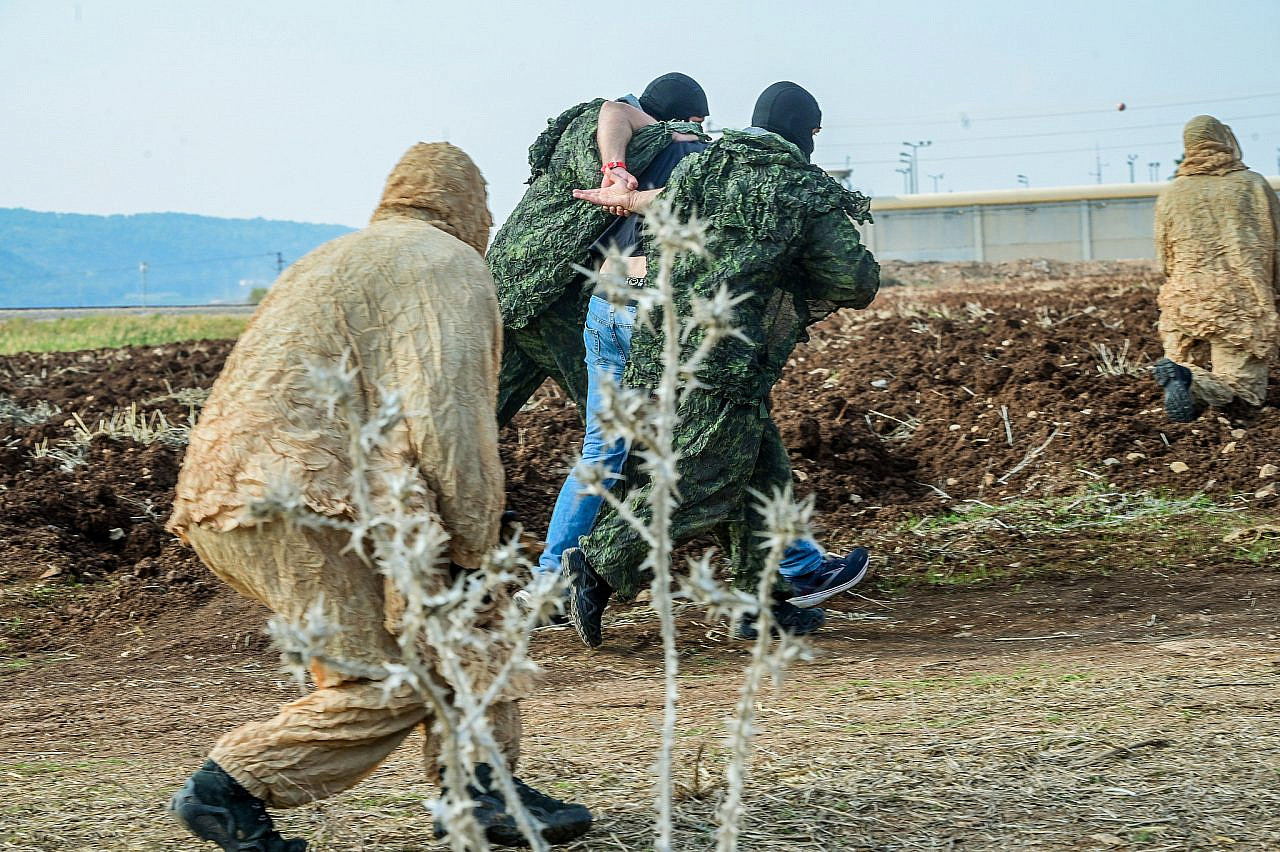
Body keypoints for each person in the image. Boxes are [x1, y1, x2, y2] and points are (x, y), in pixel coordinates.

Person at [163, 143, 591, 850]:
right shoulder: (450, 265)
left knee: (448, 624)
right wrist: (476, 538)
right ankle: (227, 789)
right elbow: (448, 419)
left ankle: (482, 793)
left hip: (235, 493)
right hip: (306, 497)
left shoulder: (334, 255)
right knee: (398, 677)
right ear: (472, 207)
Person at [562, 82, 880, 648]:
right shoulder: (801, 186)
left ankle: (764, 607)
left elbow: (657, 208)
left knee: (763, 478)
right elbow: (854, 281)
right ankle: (600, 565)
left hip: (659, 342)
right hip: (726, 361)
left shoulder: (705, 163)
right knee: (705, 478)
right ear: (805, 132)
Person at [487, 73, 710, 427]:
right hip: (554, 296)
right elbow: (616, 110)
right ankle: (626, 483)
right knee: (617, 426)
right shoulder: (647, 136)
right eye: (694, 124)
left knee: (480, 413)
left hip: (509, 281)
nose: (692, 133)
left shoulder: (588, 129)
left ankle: (414, 475)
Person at [1153, 114, 1280, 421]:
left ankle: (1185, 377)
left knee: (1186, 373)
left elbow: (1164, 253)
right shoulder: (1253, 185)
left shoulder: (1172, 192)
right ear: (1225, 140)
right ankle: (1192, 381)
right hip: (1239, 305)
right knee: (1244, 398)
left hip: (1183, 301)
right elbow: (1274, 240)